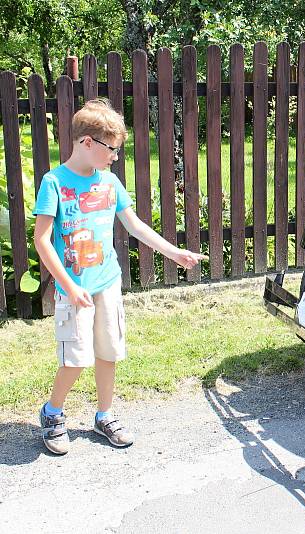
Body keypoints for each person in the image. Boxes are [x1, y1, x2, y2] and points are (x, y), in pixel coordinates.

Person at [33, 98, 206, 454]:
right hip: (74, 290)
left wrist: (175, 253)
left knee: (108, 351)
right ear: (87, 143)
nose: (115, 156)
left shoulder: (110, 183)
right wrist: (68, 285)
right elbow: (41, 240)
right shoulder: (54, 183)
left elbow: (136, 226)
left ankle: (104, 415)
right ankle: (52, 413)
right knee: (76, 358)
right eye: (111, 149)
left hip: (107, 283)